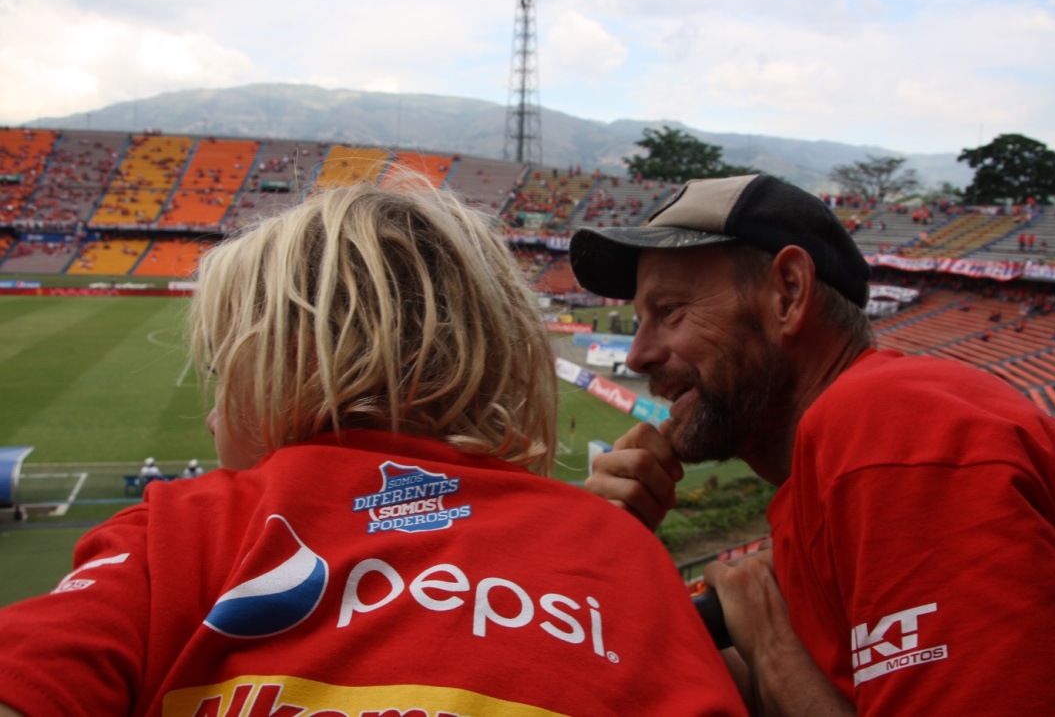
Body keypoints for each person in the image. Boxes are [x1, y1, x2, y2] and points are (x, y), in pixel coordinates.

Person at [0, 180, 744, 715]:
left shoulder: (176, 533)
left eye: (223, 374)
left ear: (290, 364)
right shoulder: (620, 552)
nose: (210, 419)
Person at [569, 174, 1055, 715]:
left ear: (788, 293)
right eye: (639, 322)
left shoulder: (888, 428)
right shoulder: (827, 481)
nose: (638, 355)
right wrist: (616, 554)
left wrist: (773, 653)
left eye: (670, 309)